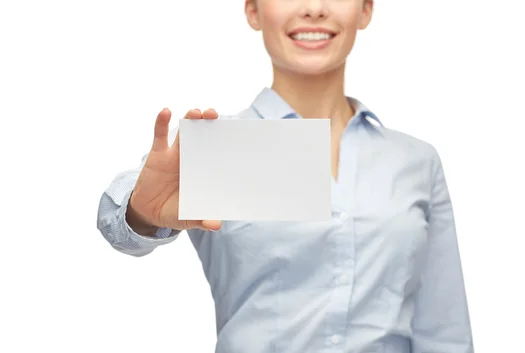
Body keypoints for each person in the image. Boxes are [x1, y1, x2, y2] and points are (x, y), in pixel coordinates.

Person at [96, 0, 474, 352]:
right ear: (253, 10)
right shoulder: (217, 147)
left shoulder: (416, 161)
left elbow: (444, 331)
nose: (313, 8)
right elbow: (125, 221)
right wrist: (140, 215)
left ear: (366, 9)